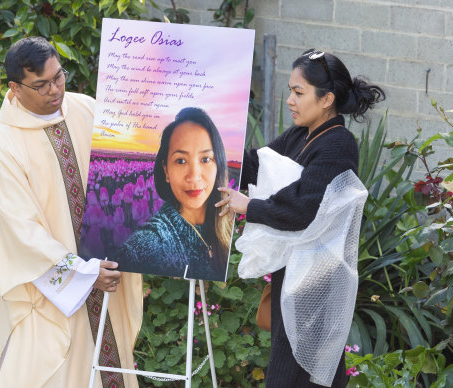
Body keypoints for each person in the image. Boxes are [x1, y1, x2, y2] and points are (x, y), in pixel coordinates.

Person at [0, 36, 142, 388]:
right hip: (48, 296)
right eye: (41, 85)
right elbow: (21, 235)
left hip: (104, 278)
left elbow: (130, 170)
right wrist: (83, 273)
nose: (54, 90)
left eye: (59, 77)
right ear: (15, 89)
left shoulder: (87, 111)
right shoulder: (1, 147)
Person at [217, 49, 385, 387]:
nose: (290, 100)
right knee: (298, 374)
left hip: (316, 285)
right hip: (293, 277)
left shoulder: (338, 144)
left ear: (326, 100)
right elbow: (256, 166)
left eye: (298, 92)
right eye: (290, 91)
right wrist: (217, 152)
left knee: (296, 376)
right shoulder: (300, 135)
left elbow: (303, 209)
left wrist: (248, 206)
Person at [111, 107, 233, 282]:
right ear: (166, 171)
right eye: (181, 161)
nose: (194, 175)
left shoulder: (226, 225)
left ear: (219, 164)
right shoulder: (148, 245)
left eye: (205, 159)